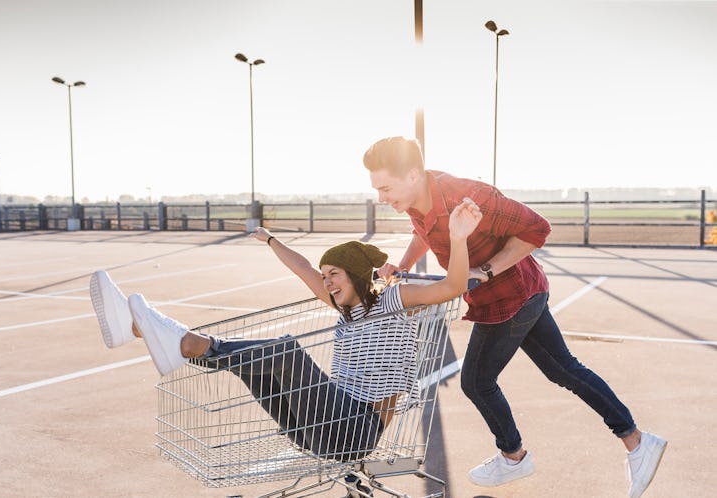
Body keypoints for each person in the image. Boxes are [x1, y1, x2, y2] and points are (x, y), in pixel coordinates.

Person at [363, 136, 666, 498]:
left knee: (476, 381)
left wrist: (486, 270)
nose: (381, 198)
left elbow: (537, 229)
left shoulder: (469, 197)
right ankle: (636, 441)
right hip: (518, 294)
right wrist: (402, 265)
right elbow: (422, 233)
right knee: (563, 369)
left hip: (512, 298)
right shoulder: (416, 200)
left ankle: (513, 455)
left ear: (412, 175)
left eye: (385, 188)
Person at [89, 197, 482, 462]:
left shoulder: (392, 301)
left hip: (355, 432)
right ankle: (146, 332)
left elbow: (452, 287)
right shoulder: (344, 309)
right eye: (326, 275)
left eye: (335, 274)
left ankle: (188, 343)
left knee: (285, 352)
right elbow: (303, 269)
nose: (326, 282)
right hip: (317, 426)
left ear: (358, 275)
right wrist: (272, 240)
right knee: (264, 363)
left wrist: (459, 238)